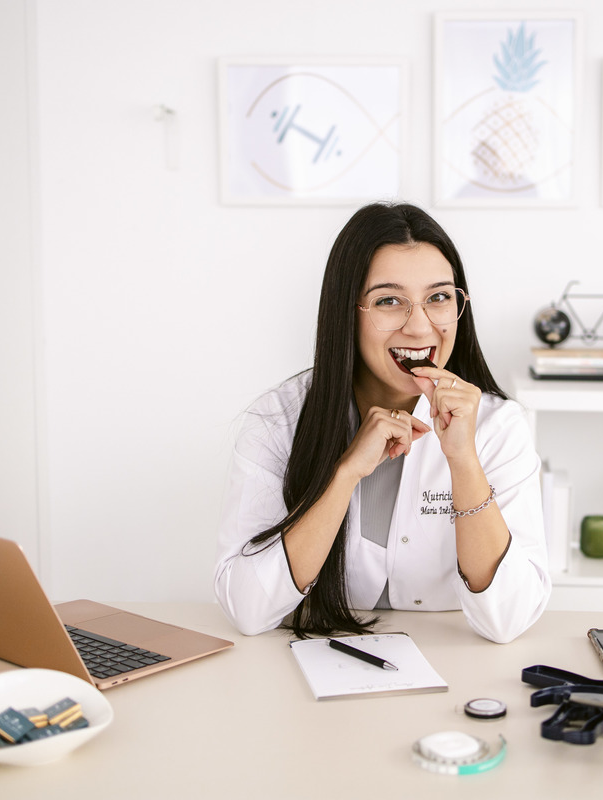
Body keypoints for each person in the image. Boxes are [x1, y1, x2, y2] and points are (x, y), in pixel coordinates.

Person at [213, 202, 550, 644]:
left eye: (439, 297)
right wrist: (345, 473)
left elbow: (509, 619)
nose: (419, 326)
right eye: (389, 301)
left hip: (455, 670)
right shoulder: (278, 420)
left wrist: (463, 461)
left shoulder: (499, 426)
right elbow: (249, 609)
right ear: (346, 312)